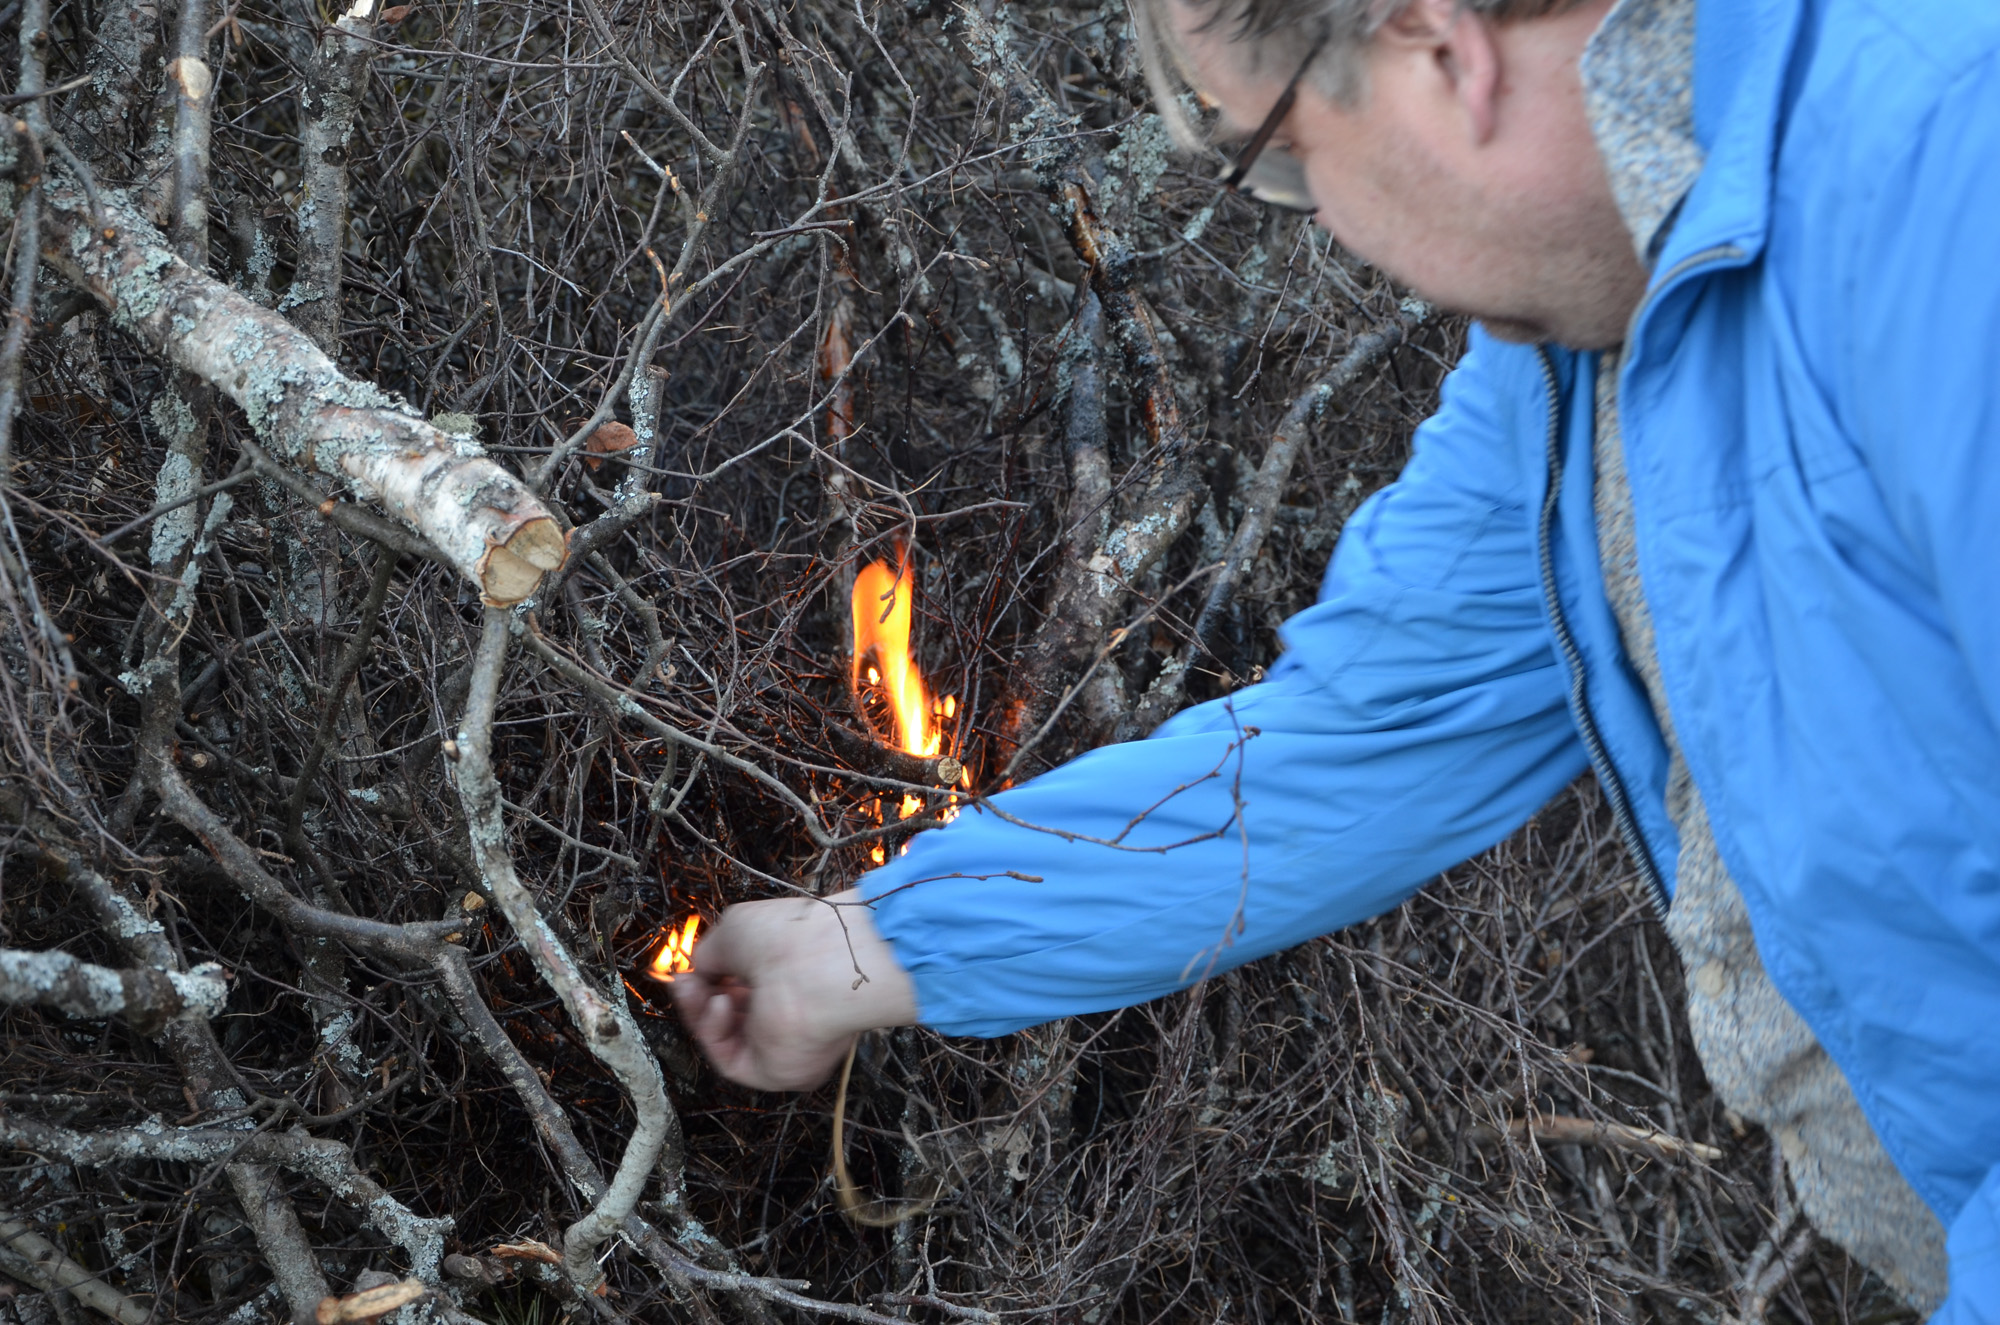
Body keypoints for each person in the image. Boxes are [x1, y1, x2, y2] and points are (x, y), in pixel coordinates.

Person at [674, 0, 2000, 1316]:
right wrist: (865, 947)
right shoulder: (1570, 346)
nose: (1331, 228)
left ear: (1442, 46)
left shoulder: (1950, 186)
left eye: (1289, 158)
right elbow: (1359, 747)